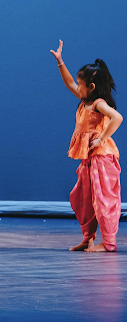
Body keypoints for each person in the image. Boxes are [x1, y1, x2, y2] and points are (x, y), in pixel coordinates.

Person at [51, 40, 122, 252]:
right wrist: (60, 62)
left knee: (103, 199)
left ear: (91, 87)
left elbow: (117, 117)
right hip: (88, 159)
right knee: (83, 200)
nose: (77, 86)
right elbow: (68, 83)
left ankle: (108, 243)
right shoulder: (85, 102)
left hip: (102, 158)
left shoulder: (98, 103)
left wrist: (101, 139)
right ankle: (88, 238)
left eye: (80, 84)